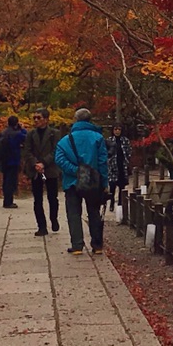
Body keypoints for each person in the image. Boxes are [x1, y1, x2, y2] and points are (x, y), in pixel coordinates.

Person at [55, 107, 112, 255]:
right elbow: (102, 163)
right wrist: (104, 183)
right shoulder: (98, 138)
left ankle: (77, 246)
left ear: (75, 120)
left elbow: (59, 160)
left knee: (73, 212)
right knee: (93, 212)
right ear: (89, 120)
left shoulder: (65, 141)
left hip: (72, 182)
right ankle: (97, 245)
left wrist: (76, 171)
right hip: (93, 181)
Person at [23, 107, 62, 236]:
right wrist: (35, 164)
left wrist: (44, 163)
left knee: (52, 197)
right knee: (37, 199)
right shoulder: (30, 134)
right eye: (34, 118)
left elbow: (56, 150)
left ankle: (53, 218)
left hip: (50, 168)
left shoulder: (54, 133)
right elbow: (27, 151)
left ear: (46, 119)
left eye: (38, 118)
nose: (36, 120)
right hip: (35, 170)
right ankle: (41, 226)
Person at [0, 115, 26, 208]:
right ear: (16, 123)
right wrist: (22, 128)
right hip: (13, 160)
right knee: (10, 182)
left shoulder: (4, 132)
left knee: (6, 180)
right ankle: (8, 202)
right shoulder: (17, 134)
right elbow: (26, 137)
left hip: (4, 160)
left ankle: (6, 199)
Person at [106, 121, 136, 208]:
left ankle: (120, 203)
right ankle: (111, 203)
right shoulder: (109, 140)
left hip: (122, 165)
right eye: (115, 129)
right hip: (112, 166)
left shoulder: (125, 140)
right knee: (112, 186)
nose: (117, 131)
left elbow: (129, 151)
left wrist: (127, 160)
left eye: (119, 129)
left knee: (122, 187)